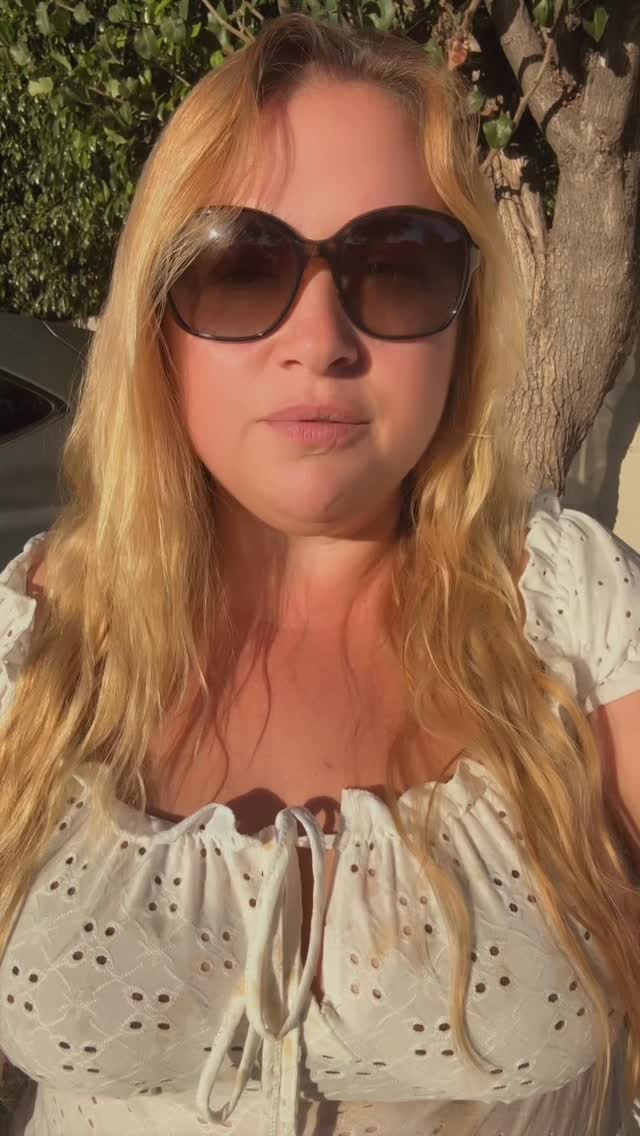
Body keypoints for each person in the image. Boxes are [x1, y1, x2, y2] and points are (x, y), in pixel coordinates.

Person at [0, 12, 639, 1136]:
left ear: (464, 320)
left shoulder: (576, 612)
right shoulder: (34, 641)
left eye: (395, 267)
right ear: (155, 322)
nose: (320, 337)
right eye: (240, 267)